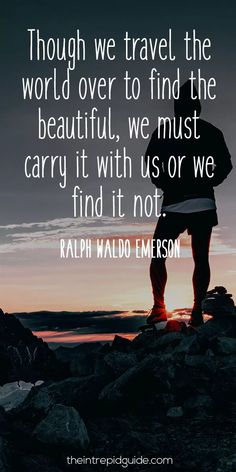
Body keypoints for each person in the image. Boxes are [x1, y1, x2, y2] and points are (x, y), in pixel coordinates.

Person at [145, 80, 233, 327]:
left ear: (176, 107)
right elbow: (226, 164)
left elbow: (151, 163)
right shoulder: (211, 131)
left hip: (174, 204)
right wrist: (207, 182)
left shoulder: (163, 131)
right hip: (203, 203)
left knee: (158, 256)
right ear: (198, 106)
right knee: (201, 258)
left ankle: (159, 309)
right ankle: (195, 311)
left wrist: (166, 184)